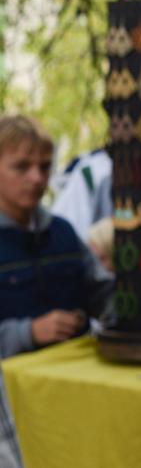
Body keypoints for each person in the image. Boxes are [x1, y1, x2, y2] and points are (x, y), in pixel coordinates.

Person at [0, 115, 114, 359]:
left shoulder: (63, 233)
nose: (37, 178)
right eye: (22, 166)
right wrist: (26, 333)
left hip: (73, 383)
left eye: (44, 166)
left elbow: (106, 296)